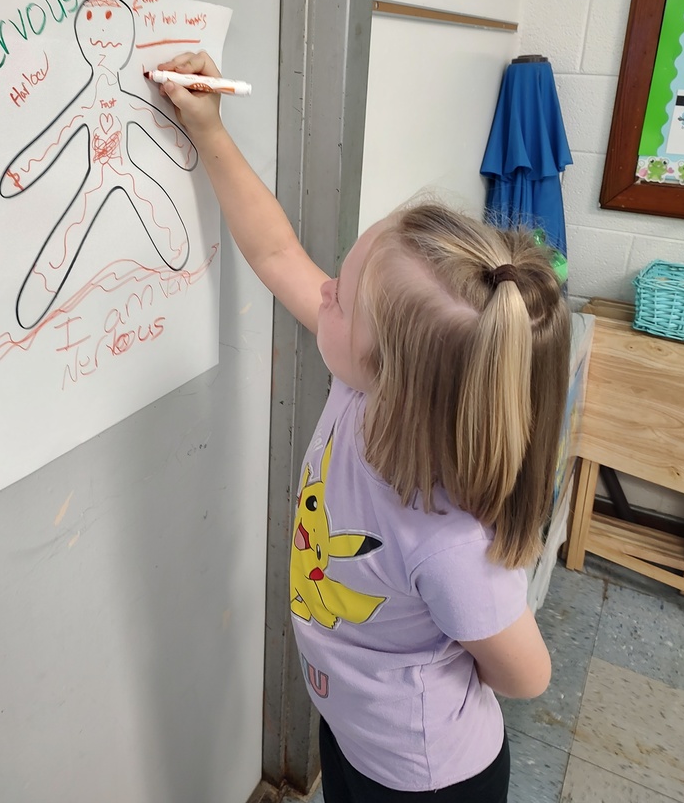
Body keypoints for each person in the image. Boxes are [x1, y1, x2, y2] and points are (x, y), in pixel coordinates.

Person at [160, 52, 571, 803]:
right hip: (351, 731)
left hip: (427, 776)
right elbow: (276, 250)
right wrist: (209, 131)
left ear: (395, 373)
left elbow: (527, 675)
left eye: (340, 297)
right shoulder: (366, 388)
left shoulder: (453, 541)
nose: (324, 290)